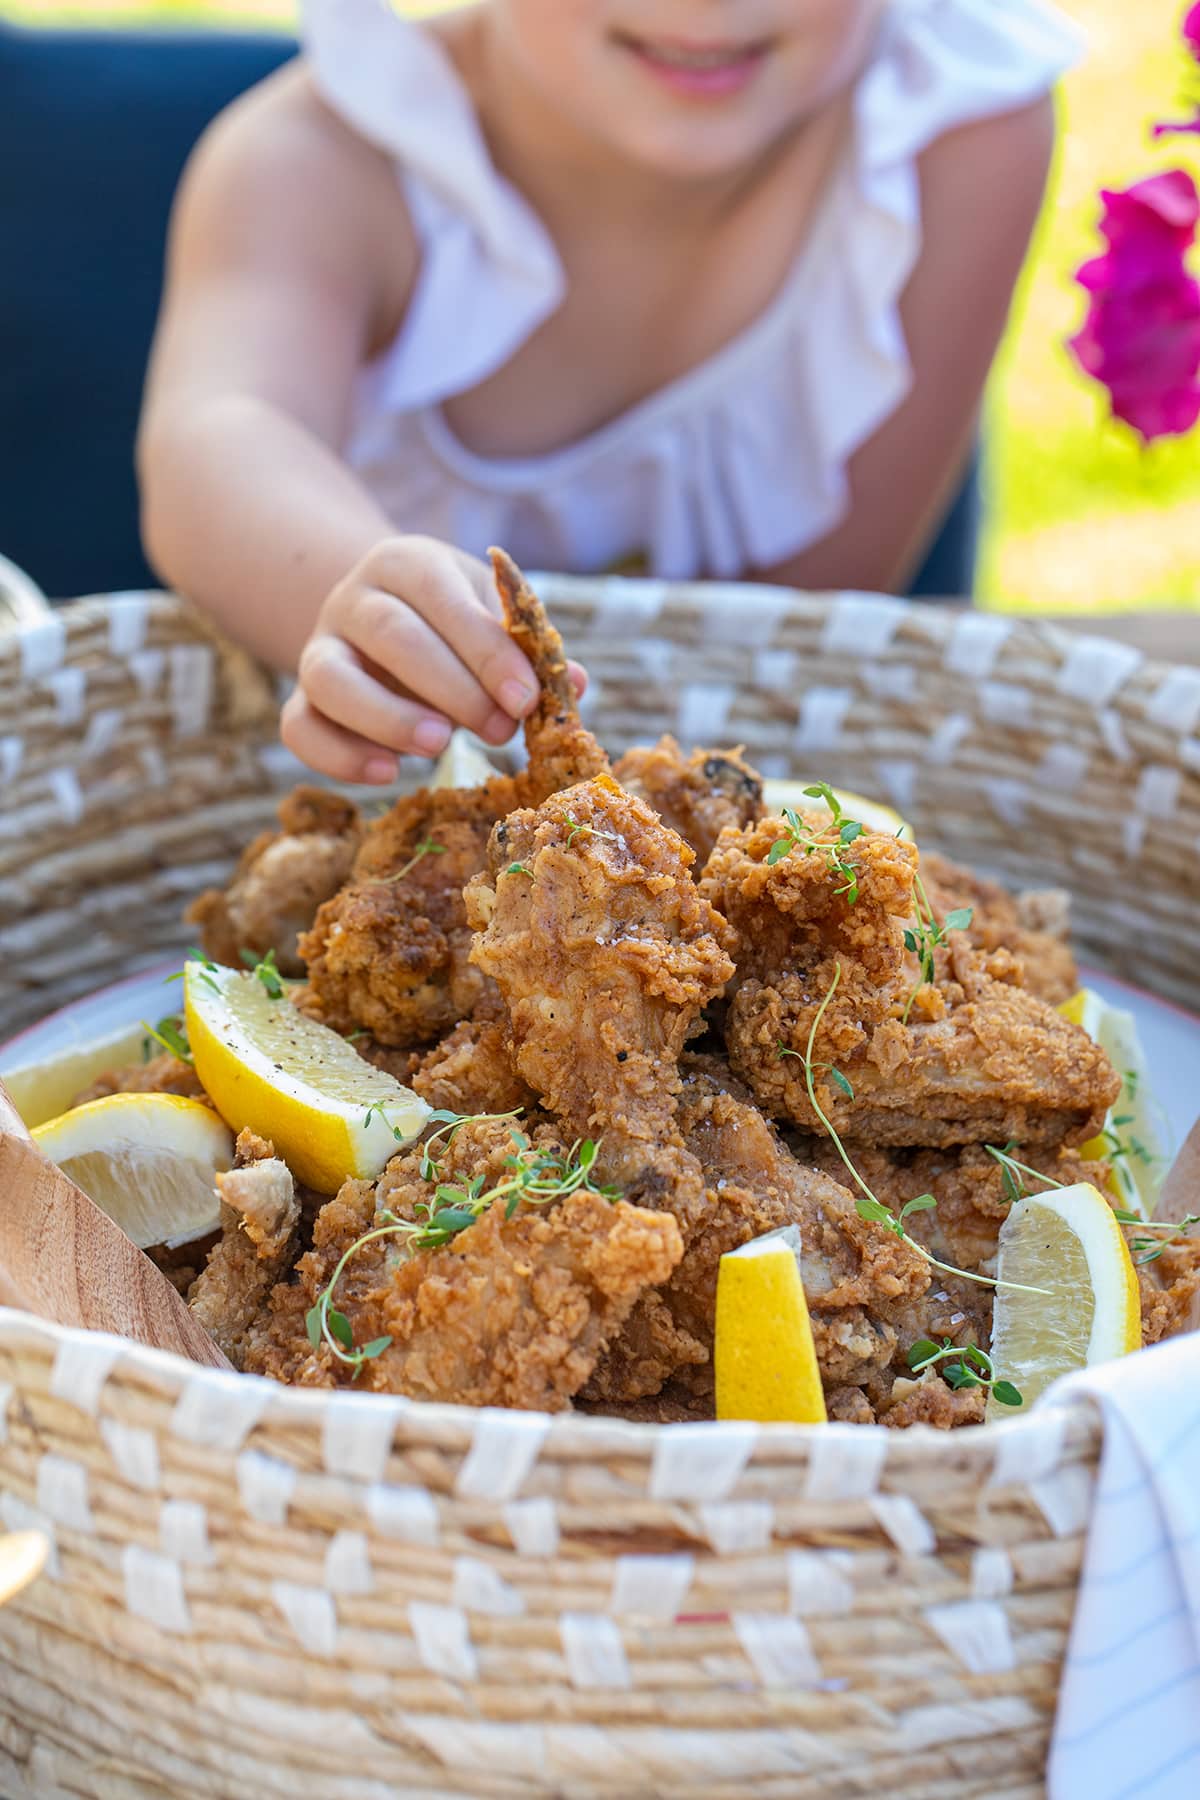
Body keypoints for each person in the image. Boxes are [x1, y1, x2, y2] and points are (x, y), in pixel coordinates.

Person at [138, 0, 1080, 785]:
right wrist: (360, 595)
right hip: (368, 796)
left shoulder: (956, 131)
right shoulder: (314, 164)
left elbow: (808, 641)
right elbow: (217, 435)